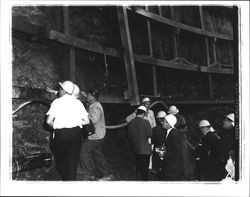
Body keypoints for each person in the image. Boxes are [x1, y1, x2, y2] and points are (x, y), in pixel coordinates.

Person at [46, 80, 89, 180]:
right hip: (76, 134)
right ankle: (71, 180)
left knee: (61, 161)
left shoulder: (57, 102)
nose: (59, 90)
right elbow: (87, 121)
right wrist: (76, 122)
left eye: (60, 88)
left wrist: (56, 126)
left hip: (61, 135)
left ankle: (67, 179)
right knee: (72, 161)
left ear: (63, 90)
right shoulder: (78, 103)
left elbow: (48, 121)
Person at [76, 89, 111, 181]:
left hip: (96, 135)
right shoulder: (92, 105)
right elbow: (89, 106)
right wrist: (84, 96)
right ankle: (105, 174)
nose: (86, 97)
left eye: (88, 95)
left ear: (92, 96)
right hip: (97, 135)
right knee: (98, 155)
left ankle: (87, 173)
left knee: (83, 150)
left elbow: (93, 120)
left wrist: (82, 116)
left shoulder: (96, 107)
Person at [127, 105, 152, 181]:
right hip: (145, 150)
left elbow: (129, 136)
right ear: (144, 113)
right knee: (145, 170)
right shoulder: (146, 122)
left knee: (138, 166)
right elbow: (150, 134)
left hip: (135, 149)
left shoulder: (131, 122)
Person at [167, 105, 189, 179]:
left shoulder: (181, 118)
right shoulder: (169, 119)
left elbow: (185, 129)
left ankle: (185, 174)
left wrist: (177, 131)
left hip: (182, 140)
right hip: (173, 140)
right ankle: (178, 173)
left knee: (183, 157)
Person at [162, 114, 184, 181]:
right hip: (171, 166)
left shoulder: (173, 133)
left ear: (169, 124)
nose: (163, 123)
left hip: (173, 167)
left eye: (165, 122)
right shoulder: (170, 132)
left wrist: (164, 154)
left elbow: (177, 151)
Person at [218, 113, 235, 180]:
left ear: (230, 122)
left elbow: (228, 147)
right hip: (225, 160)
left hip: (227, 162)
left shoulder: (231, 134)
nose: (223, 121)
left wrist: (222, 157)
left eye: (225, 120)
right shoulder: (226, 132)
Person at [151, 111, 167, 180]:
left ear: (158, 119)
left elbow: (152, 141)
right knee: (164, 164)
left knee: (157, 164)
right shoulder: (168, 128)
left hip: (157, 148)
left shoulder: (155, 129)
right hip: (165, 148)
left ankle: (158, 177)